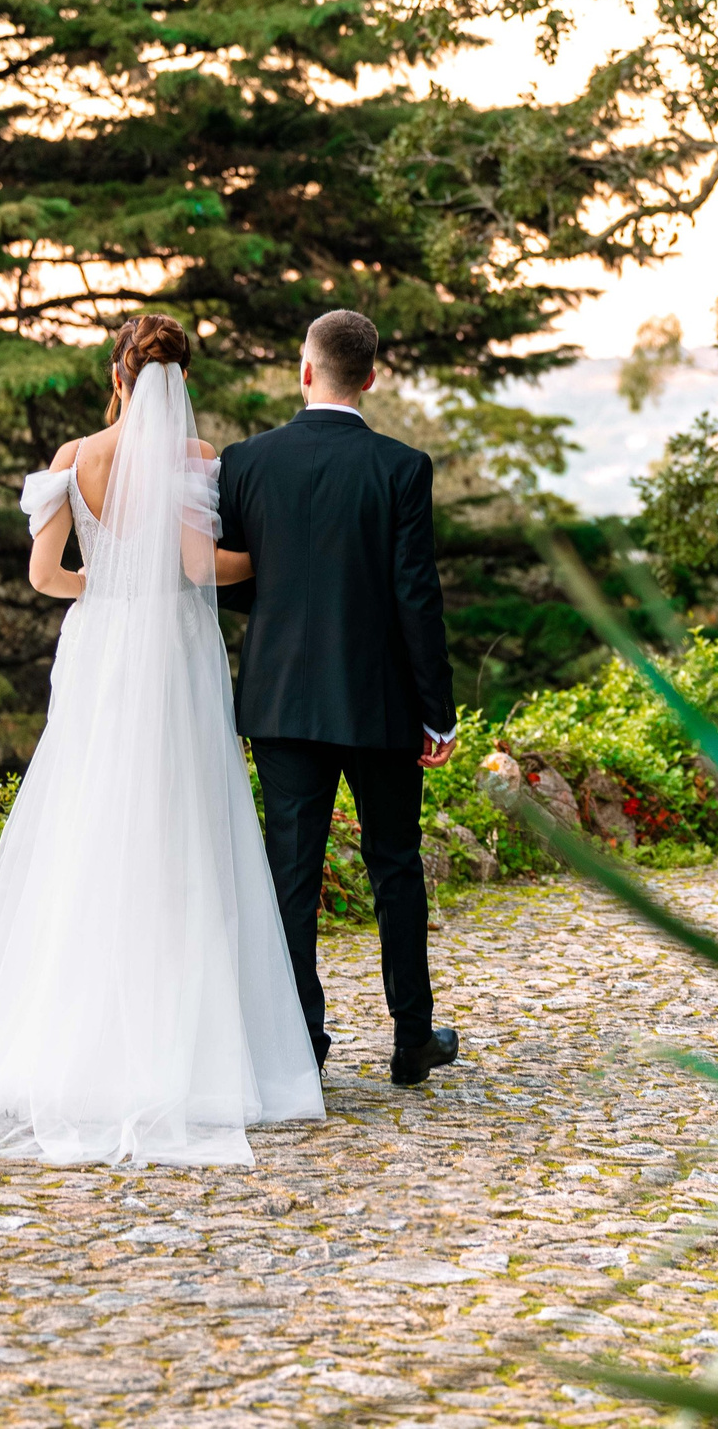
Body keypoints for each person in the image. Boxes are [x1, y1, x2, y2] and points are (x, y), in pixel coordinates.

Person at [0, 315, 323, 1167]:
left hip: (101, 650)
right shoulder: (197, 461)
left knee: (87, 821)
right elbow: (203, 569)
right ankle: (188, 1046)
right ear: (183, 380)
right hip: (172, 651)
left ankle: (70, 1037)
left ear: (117, 373)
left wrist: (112, 582)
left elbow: (46, 575)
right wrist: (275, 552)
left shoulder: (74, 457)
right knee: (182, 827)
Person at [217, 309, 462, 1087]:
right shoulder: (402, 467)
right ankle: (412, 1040)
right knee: (396, 866)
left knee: (291, 874)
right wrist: (438, 710)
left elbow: (236, 578)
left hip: (282, 701)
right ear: (372, 376)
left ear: (304, 371)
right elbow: (415, 598)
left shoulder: (246, 462)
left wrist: (286, 600)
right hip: (381, 703)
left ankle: (301, 1047)